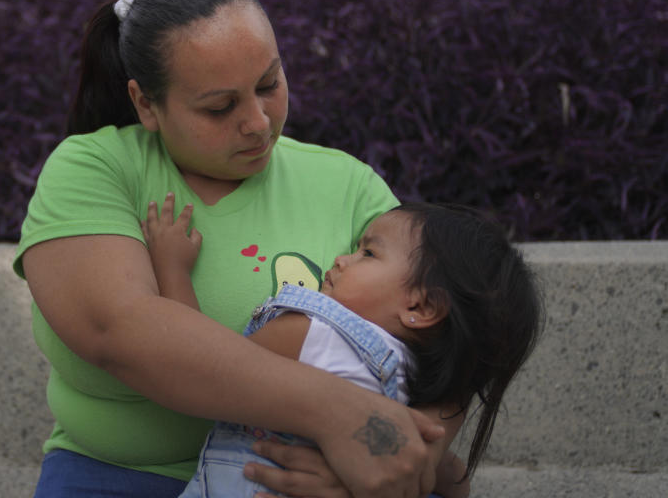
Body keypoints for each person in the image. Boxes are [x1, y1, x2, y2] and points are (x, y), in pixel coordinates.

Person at [15, 0, 461, 498]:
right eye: (220, 107)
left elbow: (455, 328)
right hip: (122, 477)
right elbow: (120, 329)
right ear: (145, 104)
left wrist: (409, 453)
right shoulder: (94, 168)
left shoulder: (347, 184)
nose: (258, 122)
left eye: (269, 84)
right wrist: (339, 412)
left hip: (312, 480)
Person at [141, 195, 543, 498]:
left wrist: (172, 267)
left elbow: (202, 367)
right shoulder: (408, 386)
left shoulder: (310, 335)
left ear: (420, 306)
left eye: (367, 253)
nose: (340, 259)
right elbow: (456, 481)